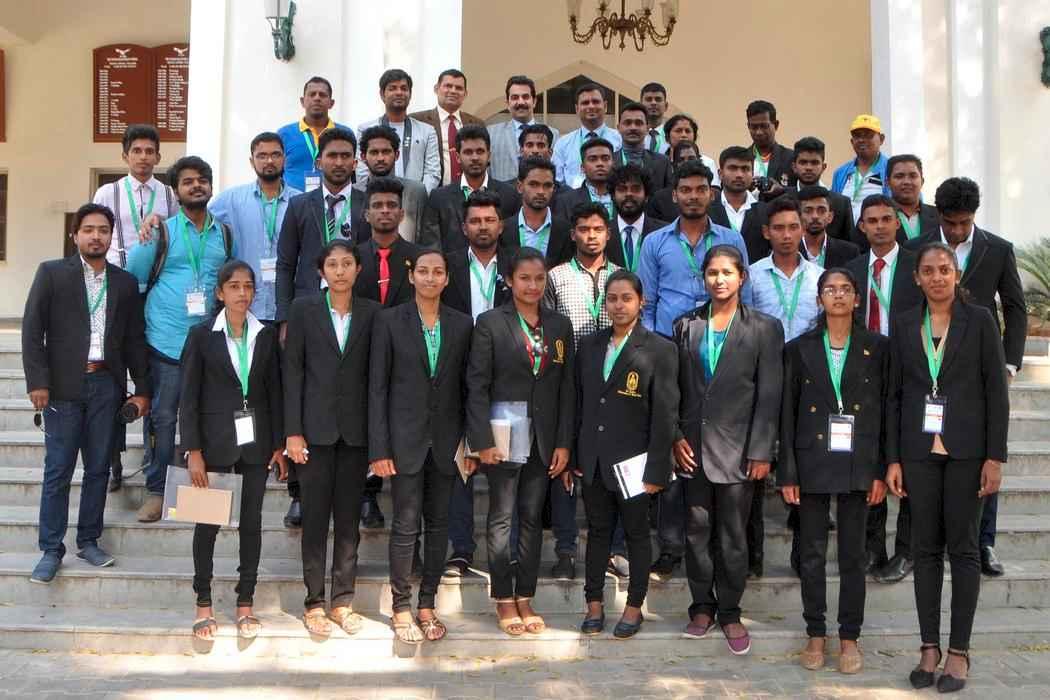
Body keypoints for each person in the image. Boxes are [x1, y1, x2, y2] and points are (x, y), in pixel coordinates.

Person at [885, 242, 1009, 693]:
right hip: (918, 451)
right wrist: (893, 458)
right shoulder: (904, 324)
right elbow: (895, 395)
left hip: (968, 451)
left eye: (944, 269)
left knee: (965, 549)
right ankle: (928, 648)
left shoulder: (980, 320)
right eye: (928, 271)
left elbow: (996, 391)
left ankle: (959, 652)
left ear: (956, 274)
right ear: (916, 278)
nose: (937, 277)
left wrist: (995, 457)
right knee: (925, 551)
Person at [23, 203, 151, 583]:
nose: (96, 236)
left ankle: (88, 541)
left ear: (112, 237)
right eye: (89, 230)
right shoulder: (51, 274)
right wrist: (38, 382)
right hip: (62, 388)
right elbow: (32, 331)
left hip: (106, 386)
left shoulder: (124, 283)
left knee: (98, 468)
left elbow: (134, 340)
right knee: (58, 470)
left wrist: (142, 390)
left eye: (103, 230)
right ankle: (51, 549)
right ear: (75, 235)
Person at [905, 177, 1026, 577]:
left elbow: (1015, 307)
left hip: (979, 365)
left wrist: (1008, 364)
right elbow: (905, 306)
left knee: (982, 452)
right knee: (929, 456)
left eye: (965, 222)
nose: (957, 231)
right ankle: (927, 542)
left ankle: (983, 541)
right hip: (931, 366)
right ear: (938, 215)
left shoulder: (998, 248)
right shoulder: (916, 249)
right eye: (950, 223)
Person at [778, 267, 889, 674]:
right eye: (830, 289)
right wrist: (788, 472)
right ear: (819, 299)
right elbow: (786, 415)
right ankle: (815, 632)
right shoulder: (798, 349)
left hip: (859, 460)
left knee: (853, 555)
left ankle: (849, 637)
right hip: (812, 459)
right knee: (811, 553)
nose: (838, 296)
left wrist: (880, 470)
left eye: (845, 290)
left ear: (857, 299)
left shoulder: (878, 347)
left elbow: (886, 411)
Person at [673, 244, 783, 655]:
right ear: (703, 278)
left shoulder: (765, 328)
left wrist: (762, 450)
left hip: (740, 450)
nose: (719, 280)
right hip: (693, 449)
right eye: (712, 273)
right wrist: (674, 437)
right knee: (696, 532)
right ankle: (702, 606)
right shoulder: (686, 325)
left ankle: (731, 612)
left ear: (742, 277)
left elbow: (769, 393)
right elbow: (674, 389)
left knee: (733, 536)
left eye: (727, 272)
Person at [465, 247, 575, 636]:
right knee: (501, 518)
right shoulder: (490, 323)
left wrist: (564, 442)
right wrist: (481, 440)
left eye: (539, 278)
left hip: (544, 438)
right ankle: (503, 597)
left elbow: (566, 389)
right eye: (524, 278)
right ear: (509, 280)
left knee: (531, 518)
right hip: (502, 436)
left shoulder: (559, 325)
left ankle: (525, 595)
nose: (532, 286)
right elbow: (477, 385)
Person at [369, 249, 473, 644]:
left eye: (438, 272)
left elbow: (469, 389)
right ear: (412, 276)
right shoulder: (389, 321)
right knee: (405, 524)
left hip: (446, 442)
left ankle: (427, 604)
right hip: (404, 441)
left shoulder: (462, 324)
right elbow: (377, 389)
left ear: (447, 278)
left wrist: (472, 444)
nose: (430, 278)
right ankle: (401, 607)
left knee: (439, 524)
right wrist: (379, 448)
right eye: (424, 271)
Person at [179, 260, 286, 640]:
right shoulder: (201, 336)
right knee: (207, 525)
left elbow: (274, 391)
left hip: (256, 444)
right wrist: (193, 449)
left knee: (251, 524)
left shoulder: (265, 335)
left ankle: (245, 603)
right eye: (234, 286)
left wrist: (278, 444)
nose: (242, 293)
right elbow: (188, 397)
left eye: (248, 286)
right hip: (213, 444)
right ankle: (203, 603)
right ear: (220, 292)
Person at [126, 156, 233, 523]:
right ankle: (156, 490)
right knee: (163, 417)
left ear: (211, 186)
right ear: (175, 191)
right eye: (188, 181)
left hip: (208, 344)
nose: (196, 185)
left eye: (202, 179)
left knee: (207, 416)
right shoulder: (160, 233)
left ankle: (201, 494)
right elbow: (135, 281)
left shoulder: (224, 234)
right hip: (166, 340)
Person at [574, 270, 679, 638]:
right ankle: (594, 604)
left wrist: (657, 469)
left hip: (636, 463)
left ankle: (634, 606)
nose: (619, 305)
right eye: (612, 299)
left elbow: (665, 414)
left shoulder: (660, 349)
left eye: (626, 298)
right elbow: (579, 402)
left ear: (641, 302)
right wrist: (577, 454)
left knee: (636, 533)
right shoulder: (589, 345)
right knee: (598, 533)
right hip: (594, 459)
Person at [283, 239, 380, 638]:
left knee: (349, 520)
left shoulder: (373, 313)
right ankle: (314, 602)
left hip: (355, 434)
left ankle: (342, 600)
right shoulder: (303, 310)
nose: (340, 271)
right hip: (314, 432)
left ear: (358, 269)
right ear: (321, 271)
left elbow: (377, 379)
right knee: (314, 519)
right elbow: (293, 372)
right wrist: (292, 431)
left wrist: (377, 439)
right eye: (333, 264)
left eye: (347, 264)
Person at [91, 124, 174, 492]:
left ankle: (152, 457)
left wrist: (159, 221)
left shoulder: (168, 195)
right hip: (114, 293)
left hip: (153, 295)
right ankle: (112, 460)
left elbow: (174, 235)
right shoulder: (107, 192)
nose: (143, 157)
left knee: (148, 377)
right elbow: (97, 237)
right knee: (112, 378)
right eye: (136, 150)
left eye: (149, 151)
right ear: (125, 155)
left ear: (159, 156)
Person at [844, 195, 923, 580]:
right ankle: (873, 547)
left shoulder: (917, 266)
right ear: (862, 227)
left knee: (912, 459)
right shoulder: (851, 269)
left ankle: (908, 550)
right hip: (866, 371)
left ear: (897, 224)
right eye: (871, 220)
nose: (879, 226)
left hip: (913, 370)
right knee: (870, 456)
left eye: (886, 219)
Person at [542, 201, 621, 580]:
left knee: (610, 467)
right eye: (584, 229)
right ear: (573, 233)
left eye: (598, 229)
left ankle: (614, 549)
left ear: (608, 234)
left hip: (614, 385)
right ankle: (565, 549)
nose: (591, 236)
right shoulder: (555, 277)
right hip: (566, 382)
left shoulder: (621, 277)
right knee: (564, 465)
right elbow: (544, 329)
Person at [746, 197, 823, 578]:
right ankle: (754, 554)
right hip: (763, 375)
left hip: (807, 378)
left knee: (803, 462)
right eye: (779, 228)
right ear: (766, 232)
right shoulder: (752, 275)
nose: (787, 235)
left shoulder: (820, 276)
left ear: (803, 229)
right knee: (758, 461)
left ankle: (801, 550)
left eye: (794, 227)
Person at [442, 191, 515, 577]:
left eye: (489, 220)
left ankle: (507, 551)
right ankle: (461, 549)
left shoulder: (516, 265)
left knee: (505, 465)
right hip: (457, 373)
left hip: (506, 378)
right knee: (460, 464)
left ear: (501, 226)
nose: (482, 226)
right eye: (475, 221)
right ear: (463, 226)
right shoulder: (449, 265)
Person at [352, 177, 422, 527]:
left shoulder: (418, 258)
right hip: (360, 352)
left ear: (402, 213)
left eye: (391, 206)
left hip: (406, 357)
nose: (385, 211)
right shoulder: (352, 257)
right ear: (366, 214)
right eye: (377, 206)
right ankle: (367, 494)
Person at [639, 159, 753, 339]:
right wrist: (652, 343)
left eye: (701, 189)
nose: (694, 196)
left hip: (721, 339)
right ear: (674, 195)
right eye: (686, 190)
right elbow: (647, 304)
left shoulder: (732, 240)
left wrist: (743, 339)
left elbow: (744, 296)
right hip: (667, 339)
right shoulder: (654, 242)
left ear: (712, 194)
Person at [209, 132, 303, 324]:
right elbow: (198, 220)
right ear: (252, 162)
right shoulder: (231, 199)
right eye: (262, 156)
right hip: (245, 306)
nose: (269, 161)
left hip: (288, 307)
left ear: (284, 159)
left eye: (275, 155)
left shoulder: (301, 201)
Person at [275, 127, 367, 324]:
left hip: (357, 308)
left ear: (355, 163)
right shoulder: (299, 205)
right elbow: (285, 265)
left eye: (345, 156)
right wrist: (284, 319)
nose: (339, 162)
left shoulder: (367, 205)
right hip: (308, 306)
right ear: (318, 163)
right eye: (332, 156)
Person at [419, 124, 520, 251]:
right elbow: (431, 247)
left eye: (480, 151)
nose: (475, 158)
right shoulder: (439, 198)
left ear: (489, 155)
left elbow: (513, 244)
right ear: (457, 157)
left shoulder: (509, 195)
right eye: (468, 152)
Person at [356, 69, 441, 193]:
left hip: (414, 200)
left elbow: (432, 172)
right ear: (382, 94)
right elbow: (361, 170)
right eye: (392, 88)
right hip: (376, 198)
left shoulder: (427, 131)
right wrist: (376, 196)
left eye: (404, 88)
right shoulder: (365, 129)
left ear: (410, 94)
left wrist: (416, 196)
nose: (399, 92)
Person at [409, 69, 485, 187]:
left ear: (465, 94)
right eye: (448, 86)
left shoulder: (476, 123)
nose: (453, 91)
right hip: (431, 191)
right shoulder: (418, 121)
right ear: (436, 89)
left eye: (458, 88)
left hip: (468, 191)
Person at [277, 76, 351, 192]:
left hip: (333, 200)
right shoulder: (284, 134)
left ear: (331, 103)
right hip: (293, 201)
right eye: (312, 94)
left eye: (322, 95)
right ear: (302, 101)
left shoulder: (345, 133)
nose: (317, 98)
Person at [355, 125, 427, 242]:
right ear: (363, 157)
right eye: (374, 152)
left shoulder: (416, 191)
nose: (380, 158)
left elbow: (425, 237)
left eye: (386, 152)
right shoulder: (354, 191)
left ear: (397, 155)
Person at [499, 157, 574, 267]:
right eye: (534, 184)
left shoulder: (566, 230)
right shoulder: (503, 230)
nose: (541, 191)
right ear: (519, 187)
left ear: (553, 188)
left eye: (547, 185)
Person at [489, 75, 561, 182]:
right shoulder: (491, 133)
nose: (521, 102)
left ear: (534, 101)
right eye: (515, 97)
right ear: (507, 103)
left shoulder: (553, 134)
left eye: (525, 97)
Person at [551, 83, 622, 187]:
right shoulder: (563, 144)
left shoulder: (620, 139)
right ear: (577, 109)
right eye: (585, 103)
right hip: (573, 196)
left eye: (595, 102)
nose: (591, 106)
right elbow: (557, 181)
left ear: (605, 106)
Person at [865, 154, 940, 252]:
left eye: (913, 176)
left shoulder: (939, 215)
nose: (906, 182)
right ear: (887, 182)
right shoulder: (873, 218)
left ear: (922, 181)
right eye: (899, 176)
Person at [605, 163, 668, 272]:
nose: (629, 194)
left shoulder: (664, 233)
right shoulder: (602, 232)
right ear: (613, 196)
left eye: (636, 189)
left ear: (646, 196)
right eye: (622, 189)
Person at [709, 146, 769, 262]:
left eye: (745, 169)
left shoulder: (765, 212)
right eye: (733, 168)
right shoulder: (707, 210)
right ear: (720, 174)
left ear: (752, 173)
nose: (739, 175)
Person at [791, 137, 854, 243]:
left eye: (814, 163)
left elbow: (850, 245)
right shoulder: (782, 200)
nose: (809, 168)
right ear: (794, 167)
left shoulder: (841, 203)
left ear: (823, 167)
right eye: (803, 162)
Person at [831, 114, 891, 223]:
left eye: (868, 135)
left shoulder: (892, 169)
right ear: (852, 141)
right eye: (857, 136)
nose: (862, 140)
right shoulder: (840, 173)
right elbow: (833, 208)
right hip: (846, 233)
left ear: (881, 139)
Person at [553, 137, 616, 223]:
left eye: (605, 158)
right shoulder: (565, 201)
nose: (600, 163)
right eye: (593, 159)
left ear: (613, 164)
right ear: (582, 168)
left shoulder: (624, 196)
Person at [613, 102, 673, 191]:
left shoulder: (663, 163)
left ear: (647, 128)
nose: (633, 127)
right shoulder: (609, 162)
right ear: (618, 128)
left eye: (638, 123)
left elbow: (668, 195)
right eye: (627, 123)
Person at [797, 186, 860, 268]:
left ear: (830, 217)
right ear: (799, 217)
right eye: (808, 211)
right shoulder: (789, 250)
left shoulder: (850, 252)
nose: (815, 216)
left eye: (821, 211)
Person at [644, 138, 705, 223]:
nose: (687, 163)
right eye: (681, 160)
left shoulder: (712, 196)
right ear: (674, 165)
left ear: (700, 161)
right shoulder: (659, 199)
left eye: (691, 159)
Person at [746, 100, 794, 193]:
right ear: (748, 126)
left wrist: (782, 190)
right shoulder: (742, 159)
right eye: (754, 127)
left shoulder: (791, 158)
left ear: (776, 125)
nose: (759, 132)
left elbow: (803, 190)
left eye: (764, 126)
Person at [518, 124, 573, 202]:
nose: (535, 150)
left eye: (540, 145)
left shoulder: (567, 195)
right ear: (521, 151)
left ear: (550, 152)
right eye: (529, 145)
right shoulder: (508, 191)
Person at [661, 114, 720, 183]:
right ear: (667, 137)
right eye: (678, 131)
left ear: (694, 136)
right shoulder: (660, 162)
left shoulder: (707, 162)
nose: (683, 135)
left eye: (688, 131)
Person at [640, 82, 669, 153]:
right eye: (649, 99)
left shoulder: (671, 136)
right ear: (640, 105)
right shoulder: (632, 135)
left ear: (666, 106)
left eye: (658, 99)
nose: (653, 103)